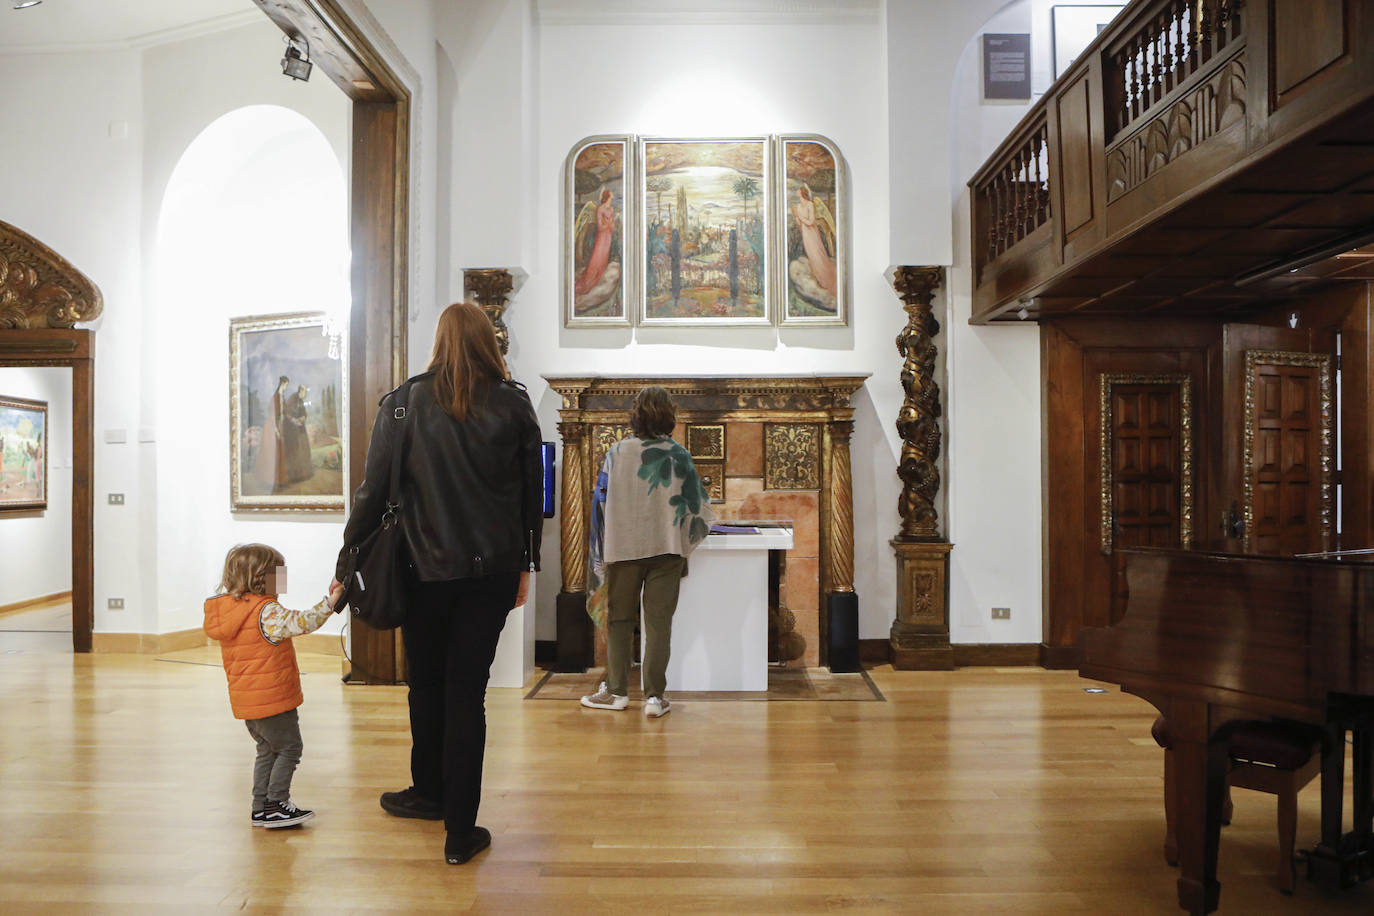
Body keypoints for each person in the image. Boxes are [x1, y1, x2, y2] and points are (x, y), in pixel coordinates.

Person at [334, 300, 543, 866]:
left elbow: (371, 493)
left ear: (439, 340)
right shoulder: (515, 404)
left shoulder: (402, 404)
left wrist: (343, 565)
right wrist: (528, 564)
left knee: (425, 684)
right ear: (488, 341)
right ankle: (459, 831)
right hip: (491, 573)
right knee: (465, 694)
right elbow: (532, 498)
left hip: (419, 570)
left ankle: (428, 792)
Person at [581, 386, 714, 718]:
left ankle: (616, 692)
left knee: (620, 621)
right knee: (658, 624)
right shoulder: (679, 454)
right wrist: (683, 544)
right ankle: (654, 697)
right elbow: (700, 510)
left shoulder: (616, 453)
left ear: (636, 415)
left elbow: (600, 503)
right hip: (666, 551)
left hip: (623, 549)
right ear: (669, 415)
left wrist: (600, 551)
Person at [203, 543, 342, 829]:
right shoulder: (266, 611)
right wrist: (331, 602)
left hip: (247, 701)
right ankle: (277, 803)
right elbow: (301, 622)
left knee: (267, 750)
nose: (284, 578)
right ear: (261, 577)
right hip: (273, 699)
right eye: (280, 573)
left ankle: (260, 807)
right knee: (290, 748)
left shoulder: (229, 610)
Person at [282, 384, 313, 484]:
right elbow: (287, 413)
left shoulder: (301, 401)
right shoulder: (292, 398)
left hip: (299, 427)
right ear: (300, 391)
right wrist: (295, 420)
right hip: (290, 429)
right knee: (295, 450)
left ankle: (304, 473)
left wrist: (303, 417)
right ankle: (294, 475)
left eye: (306, 392)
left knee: (304, 446)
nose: (305, 394)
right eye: (304, 392)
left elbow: (304, 413)